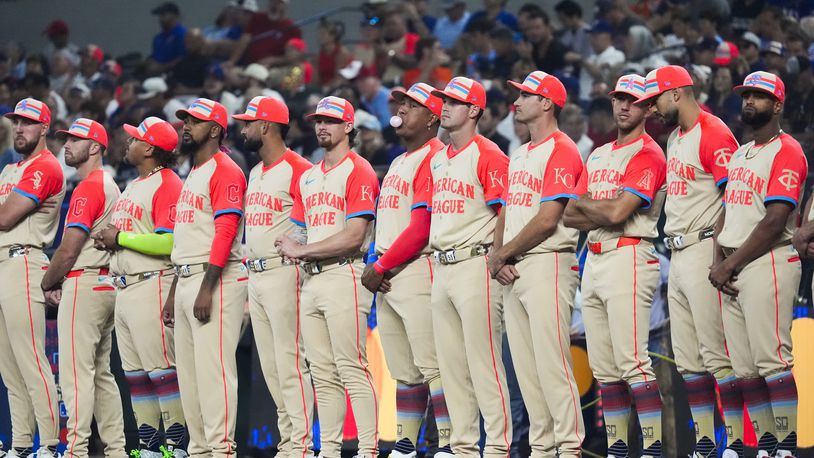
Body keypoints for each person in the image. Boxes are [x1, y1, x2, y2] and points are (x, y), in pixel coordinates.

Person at [635, 65, 745, 458]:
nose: (652, 109)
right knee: (688, 360)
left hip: (704, 249)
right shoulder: (674, 138)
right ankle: (703, 442)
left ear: (677, 93)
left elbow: (736, 198)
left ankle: (732, 442)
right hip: (678, 252)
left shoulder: (713, 132)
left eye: (656, 100)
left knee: (717, 355)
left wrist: (720, 257)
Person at [563, 74, 667, 458]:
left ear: (648, 109)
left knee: (634, 364)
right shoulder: (600, 154)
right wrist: (599, 210)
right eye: (619, 99)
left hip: (630, 255)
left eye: (634, 101)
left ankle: (654, 450)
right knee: (606, 370)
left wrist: (596, 208)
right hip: (595, 257)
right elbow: (571, 215)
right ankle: (619, 450)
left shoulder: (650, 153)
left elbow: (621, 210)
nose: (624, 106)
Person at [276, 96, 380, 458]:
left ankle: (367, 450)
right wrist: (293, 242)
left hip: (345, 273)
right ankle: (330, 450)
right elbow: (305, 231)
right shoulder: (308, 176)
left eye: (331, 121)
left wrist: (301, 249)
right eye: (318, 120)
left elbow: (353, 236)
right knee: (321, 372)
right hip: (313, 278)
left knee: (351, 368)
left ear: (348, 126)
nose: (322, 127)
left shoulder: (360, 169)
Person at [488, 71, 584, 457]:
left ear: (547, 103)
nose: (517, 101)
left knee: (553, 365)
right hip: (514, 267)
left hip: (548, 262)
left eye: (526, 94)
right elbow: (506, 214)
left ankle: (569, 447)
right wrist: (498, 257)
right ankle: (542, 449)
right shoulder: (520, 152)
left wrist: (503, 254)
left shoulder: (562, 148)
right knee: (526, 374)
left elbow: (548, 219)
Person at [716, 72, 807, 458]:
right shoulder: (740, 152)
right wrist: (718, 259)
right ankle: (767, 446)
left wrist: (730, 263)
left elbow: (774, 220)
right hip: (733, 264)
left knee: (772, 360)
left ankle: (787, 447)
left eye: (759, 96)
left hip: (767, 260)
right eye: (747, 95)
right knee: (745, 367)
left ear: (778, 104)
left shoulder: (787, 150)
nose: (750, 101)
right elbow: (727, 211)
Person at [360, 83, 452, 458]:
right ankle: (405, 443)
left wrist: (381, 264)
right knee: (404, 368)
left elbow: (422, 227)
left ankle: (447, 443)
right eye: (400, 103)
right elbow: (388, 222)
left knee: (434, 365)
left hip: (417, 267)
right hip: (389, 274)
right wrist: (376, 263)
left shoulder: (436, 157)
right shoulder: (399, 160)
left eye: (411, 105)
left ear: (432, 117)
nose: (401, 109)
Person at [90, 117, 187, 458]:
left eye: (134, 140)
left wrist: (120, 237)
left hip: (152, 283)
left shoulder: (169, 183)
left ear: (148, 148)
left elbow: (170, 243)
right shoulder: (133, 185)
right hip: (125, 287)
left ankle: (176, 448)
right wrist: (111, 240)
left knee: (161, 372)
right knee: (135, 376)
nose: (127, 143)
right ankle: (150, 448)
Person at [427, 77, 511, 457]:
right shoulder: (439, 157)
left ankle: (496, 447)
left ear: (475, 110)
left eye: (454, 102)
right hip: (441, 266)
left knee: (485, 363)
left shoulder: (489, 152)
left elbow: (506, 209)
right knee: (451, 367)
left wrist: (499, 255)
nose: (445, 107)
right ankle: (462, 448)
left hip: (476, 263)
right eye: (444, 101)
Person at [163, 98, 248, 458]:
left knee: (214, 373)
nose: (185, 126)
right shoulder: (193, 173)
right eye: (184, 120)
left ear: (214, 130)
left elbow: (226, 233)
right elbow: (185, 239)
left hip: (214, 280)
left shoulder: (225, 169)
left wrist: (205, 289)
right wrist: (172, 292)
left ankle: (221, 450)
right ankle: (199, 450)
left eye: (195, 121)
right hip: (186, 277)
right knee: (191, 378)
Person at [41, 118, 126, 458]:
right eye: (66, 138)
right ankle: (116, 450)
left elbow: (69, 247)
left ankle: (74, 450)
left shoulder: (89, 185)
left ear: (94, 147)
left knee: (77, 374)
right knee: (102, 374)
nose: (67, 145)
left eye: (75, 140)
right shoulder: (110, 183)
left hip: (85, 281)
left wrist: (48, 281)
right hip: (106, 283)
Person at [236, 96, 315, 458]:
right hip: (257, 275)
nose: (243, 129)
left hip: (285, 273)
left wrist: (297, 246)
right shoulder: (255, 172)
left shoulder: (299, 168)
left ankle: (299, 446)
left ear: (265, 125)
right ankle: (288, 444)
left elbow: (313, 224)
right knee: (271, 368)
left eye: (248, 122)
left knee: (290, 364)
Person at [0, 98, 63, 458]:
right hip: (3, 264)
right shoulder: (10, 169)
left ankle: (50, 445)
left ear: (43, 128)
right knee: (9, 367)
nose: (19, 128)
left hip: (23, 261)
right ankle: (22, 444)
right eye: (15, 122)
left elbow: (6, 218)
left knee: (32, 361)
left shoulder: (45, 167)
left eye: (27, 122)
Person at [147, 2, 187, 75]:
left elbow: (183, 59)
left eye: (163, 15)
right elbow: (155, 57)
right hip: (155, 74)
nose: (160, 19)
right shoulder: (158, 38)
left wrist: (162, 67)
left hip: (175, 74)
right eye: (160, 16)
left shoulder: (182, 34)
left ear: (175, 16)